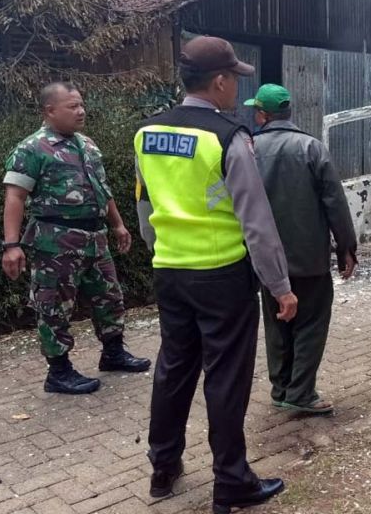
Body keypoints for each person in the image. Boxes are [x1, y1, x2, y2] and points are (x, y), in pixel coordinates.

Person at [134, 36, 297, 512]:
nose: (235, 91)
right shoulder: (229, 137)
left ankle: (162, 467)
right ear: (220, 81)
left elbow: (145, 206)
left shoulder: (146, 132)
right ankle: (231, 482)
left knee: (173, 367)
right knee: (225, 378)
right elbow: (257, 221)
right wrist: (280, 286)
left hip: (170, 270)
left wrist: (161, 250)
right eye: (234, 81)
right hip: (222, 275)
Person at [2, 82, 151, 396]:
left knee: (109, 297)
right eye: (72, 106)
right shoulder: (32, 148)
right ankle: (59, 372)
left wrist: (118, 225)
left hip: (95, 237)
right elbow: (15, 196)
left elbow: (102, 189)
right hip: (55, 241)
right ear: (49, 111)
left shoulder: (87, 145)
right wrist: (11, 245)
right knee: (53, 306)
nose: (81, 111)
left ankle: (113, 353)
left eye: (81, 104)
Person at [247, 84, 358, 415]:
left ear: (263, 115)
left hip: (267, 261)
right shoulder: (312, 148)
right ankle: (301, 392)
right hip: (309, 259)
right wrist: (346, 249)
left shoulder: (248, 150)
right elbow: (335, 204)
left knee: (277, 320)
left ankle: (281, 389)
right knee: (310, 322)